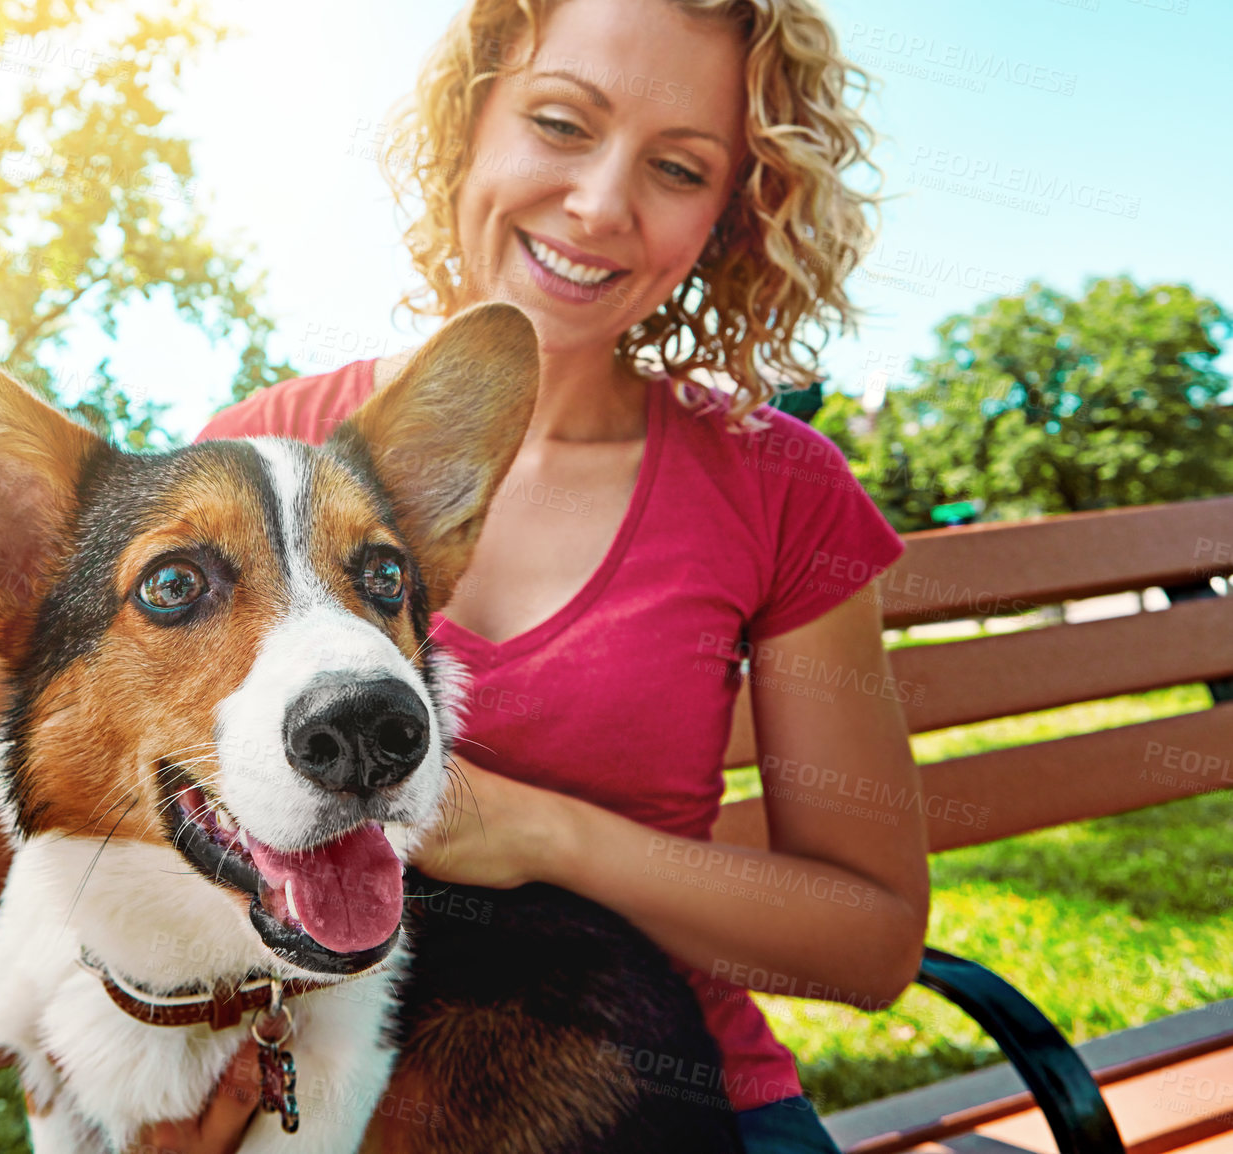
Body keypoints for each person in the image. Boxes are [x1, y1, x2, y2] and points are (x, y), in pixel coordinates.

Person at [134, 0, 929, 1150]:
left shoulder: (776, 484)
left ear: (726, 216)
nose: (602, 204)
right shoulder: (257, 457)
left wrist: (539, 834)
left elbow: (867, 942)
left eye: (676, 167)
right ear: (470, 123)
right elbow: (147, 842)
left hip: (659, 1101)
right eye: (561, 123)